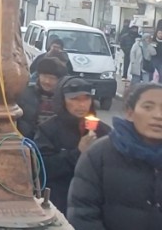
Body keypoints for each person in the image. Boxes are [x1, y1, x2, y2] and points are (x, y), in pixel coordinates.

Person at [67, 83, 162, 230]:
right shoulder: (99, 155)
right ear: (130, 113)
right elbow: (83, 212)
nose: (158, 115)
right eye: (148, 107)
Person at [33, 76, 110, 215]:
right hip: (60, 203)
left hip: (93, 204)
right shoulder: (48, 129)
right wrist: (77, 153)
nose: (81, 105)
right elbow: (41, 169)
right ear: (62, 101)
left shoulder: (103, 131)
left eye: (86, 99)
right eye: (74, 99)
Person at [17, 57, 68, 139]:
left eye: (52, 78)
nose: (47, 81)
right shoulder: (24, 93)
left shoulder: (66, 98)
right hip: (26, 141)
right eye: (44, 76)